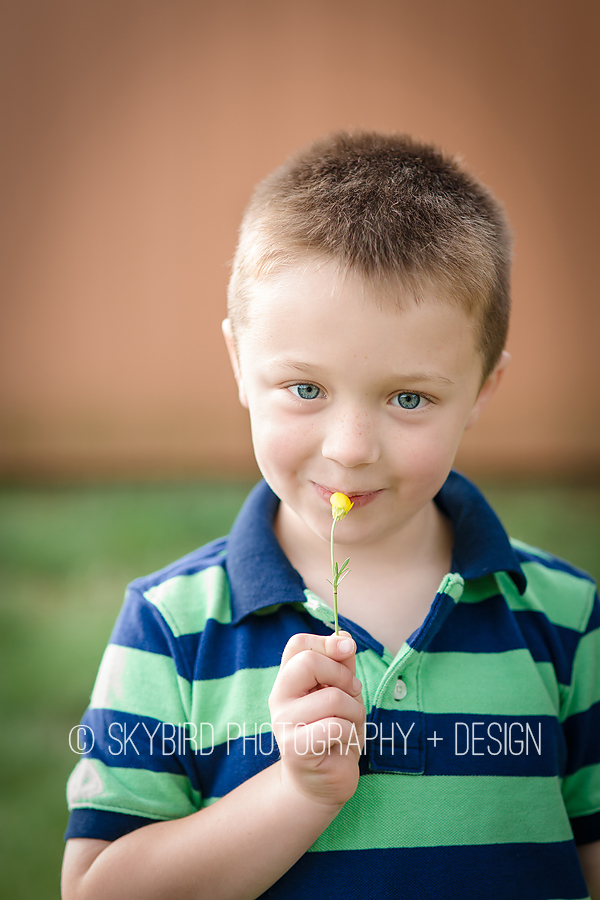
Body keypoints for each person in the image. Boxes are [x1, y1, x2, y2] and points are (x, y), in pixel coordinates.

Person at [61, 132, 600, 900]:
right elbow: (95, 889)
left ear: (482, 389)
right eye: (305, 389)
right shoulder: (172, 628)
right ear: (240, 365)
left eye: (408, 398)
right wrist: (299, 793)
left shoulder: (566, 620)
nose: (349, 452)